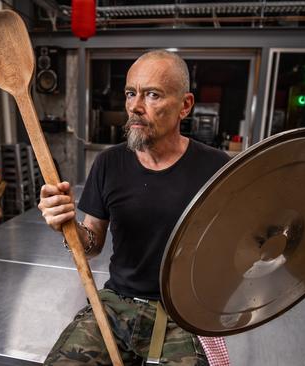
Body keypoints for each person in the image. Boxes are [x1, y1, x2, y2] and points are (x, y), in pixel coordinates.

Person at [39, 50, 230, 365]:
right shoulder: (109, 163)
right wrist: (68, 225)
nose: (135, 107)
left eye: (153, 95)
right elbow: (92, 246)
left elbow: (236, 249)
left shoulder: (217, 167)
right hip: (117, 304)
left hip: (183, 313)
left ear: (185, 105)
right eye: (131, 94)